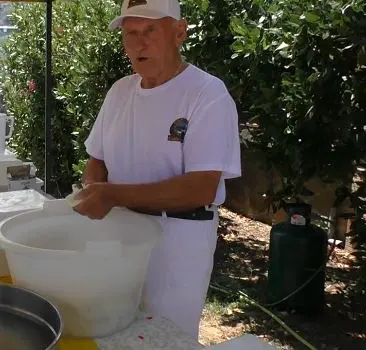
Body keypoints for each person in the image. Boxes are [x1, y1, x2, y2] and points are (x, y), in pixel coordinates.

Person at [73, 0, 242, 340]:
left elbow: (201, 188)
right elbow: (98, 161)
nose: (138, 43)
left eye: (150, 30)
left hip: (176, 246)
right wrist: (94, 187)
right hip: (117, 239)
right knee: (114, 331)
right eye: (130, 33)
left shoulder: (207, 94)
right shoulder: (120, 91)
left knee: (166, 338)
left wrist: (113, 195)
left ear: (180, 32)